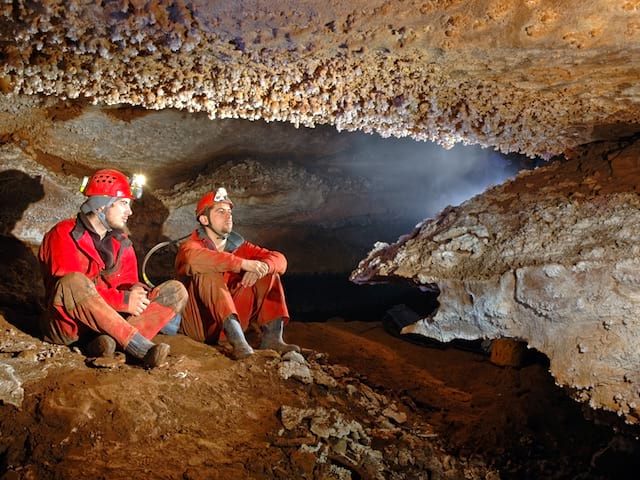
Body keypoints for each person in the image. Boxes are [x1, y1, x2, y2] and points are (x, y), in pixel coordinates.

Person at [38, 168, 188, 368]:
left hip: (111, 322)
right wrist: (125, 300)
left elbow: (128, 284)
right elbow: (68, 290)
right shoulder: (63, 234)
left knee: (176, 291)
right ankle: (139, 347)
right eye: (123, 204)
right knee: (73, 281)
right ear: (101, 206)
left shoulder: (122, 243)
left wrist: (135, 290)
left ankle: (105, 343)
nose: (130, 211)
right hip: (69, 326)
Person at [175, 187, 299, 359]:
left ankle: (272, 339)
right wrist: (243, 264)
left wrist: (263, 267)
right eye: (220, 211)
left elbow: (280, 260)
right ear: (204, 219)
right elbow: (192, 260)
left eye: (229, 211)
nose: (228, 215)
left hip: (231, 326)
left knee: (268, 271)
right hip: (199, 326)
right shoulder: (191, 246)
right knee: (207, 271)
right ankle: (239, 344)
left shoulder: (240, 246)